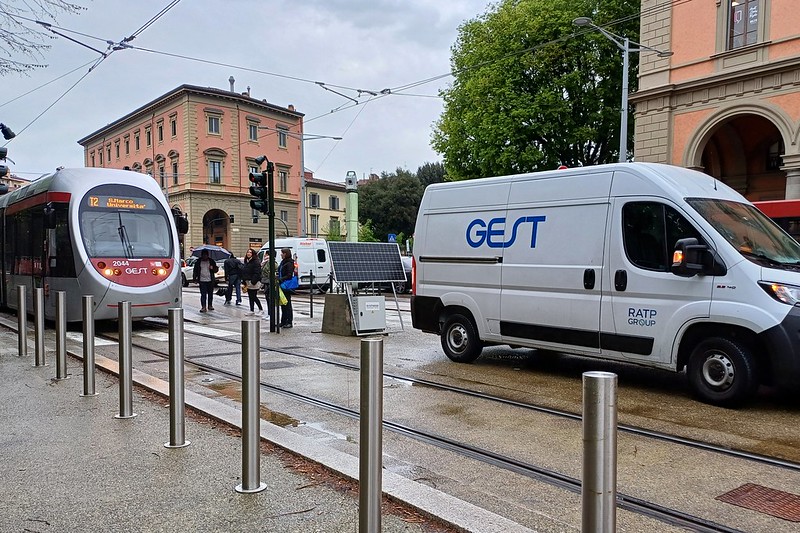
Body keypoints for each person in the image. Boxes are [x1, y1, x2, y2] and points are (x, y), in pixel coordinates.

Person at [241, 248, 263, 315]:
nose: (248, 253)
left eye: (250, 252)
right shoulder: (247, 261)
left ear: (253, 254)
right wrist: (244, 281)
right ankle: (252, 310)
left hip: (253, 282)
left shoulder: (255, 262)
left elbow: (257, 273)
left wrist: (253, 281)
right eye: (248, 252)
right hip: (248, 281)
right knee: (250, 296)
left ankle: (260, 309)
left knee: (253, 296)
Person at [277, 247, 295, 328]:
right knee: (283, 303)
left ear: (285, 254)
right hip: (282, 284)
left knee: (287, 303)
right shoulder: (283, 262)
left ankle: (289, 321)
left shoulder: (289, 263)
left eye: (282, 253)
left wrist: (281, 279)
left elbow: (289, 275)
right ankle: (283, 321)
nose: (281, 254)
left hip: (286, 285)